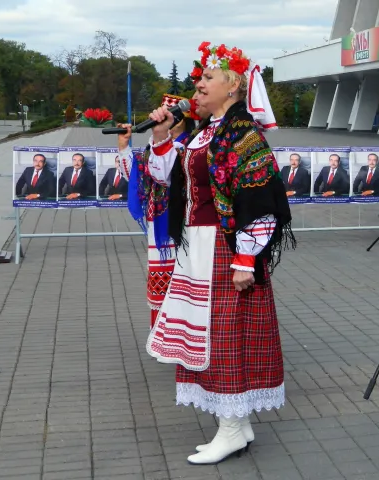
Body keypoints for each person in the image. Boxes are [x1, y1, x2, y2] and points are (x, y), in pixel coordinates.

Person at [143, 41, 294, 466]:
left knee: (224, 336)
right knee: (206, 332)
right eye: (199, 78)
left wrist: (246, 257)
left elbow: (262, 198)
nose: (198, 84)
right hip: (197, 246)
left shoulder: (243, 135)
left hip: (224, 248)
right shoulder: (200, 132)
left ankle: (230, 428)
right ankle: (238, 425)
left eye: (207, 78)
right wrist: (160, 134)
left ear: (232, 87)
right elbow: (166, 178)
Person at [115, 93, 202, 328]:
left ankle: (184, 330)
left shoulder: (192, 145)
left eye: (171, 115)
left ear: (184, 119)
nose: (164, 119)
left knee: (186, 277)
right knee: (161, 275)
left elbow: (166, 178)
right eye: (161, 113)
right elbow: (136, 177)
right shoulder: (153, 146)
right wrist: (124, 147)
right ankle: (162, 332)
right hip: (158, 223)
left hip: (183, 222)